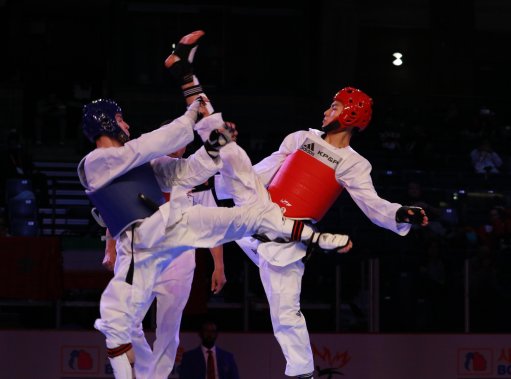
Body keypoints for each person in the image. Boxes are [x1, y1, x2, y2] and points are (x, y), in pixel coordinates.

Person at [80, 30, 351, 379]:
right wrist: (192, 116)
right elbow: (150, 145)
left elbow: (186, 172)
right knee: (120, 322)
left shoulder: (146, 163)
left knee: (249, 212)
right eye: (120, 120)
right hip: (140, 249)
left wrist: (212, 147)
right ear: (104, 123)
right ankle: (140, 373)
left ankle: (308, 237)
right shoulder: (94, 163)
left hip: (175, 237)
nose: (127, 125)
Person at [186, 85, 428, 378]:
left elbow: (372, 204)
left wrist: (400, 212)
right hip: (255, 216)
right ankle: (195, 94)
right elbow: (262, 171)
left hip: (286, 242)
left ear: (351, 115)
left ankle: (302, 375)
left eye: (335, 107)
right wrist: (219, 187)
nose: (326, 112)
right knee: (219, 178)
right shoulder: (301, 138)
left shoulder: (354, 163)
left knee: (286, 315)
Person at [101, 145, 227, 379]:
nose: (179, 147)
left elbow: (212, 223)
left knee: (169, 328)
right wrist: (110, 247)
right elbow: (117, 206)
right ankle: (145, 370)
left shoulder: (195, 175)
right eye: (174, 140)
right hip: (144, 254)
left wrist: (218, 265)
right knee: (127, 319)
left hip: (180, 258)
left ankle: (157, 377)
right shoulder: (143, 167)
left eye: (183, 143)